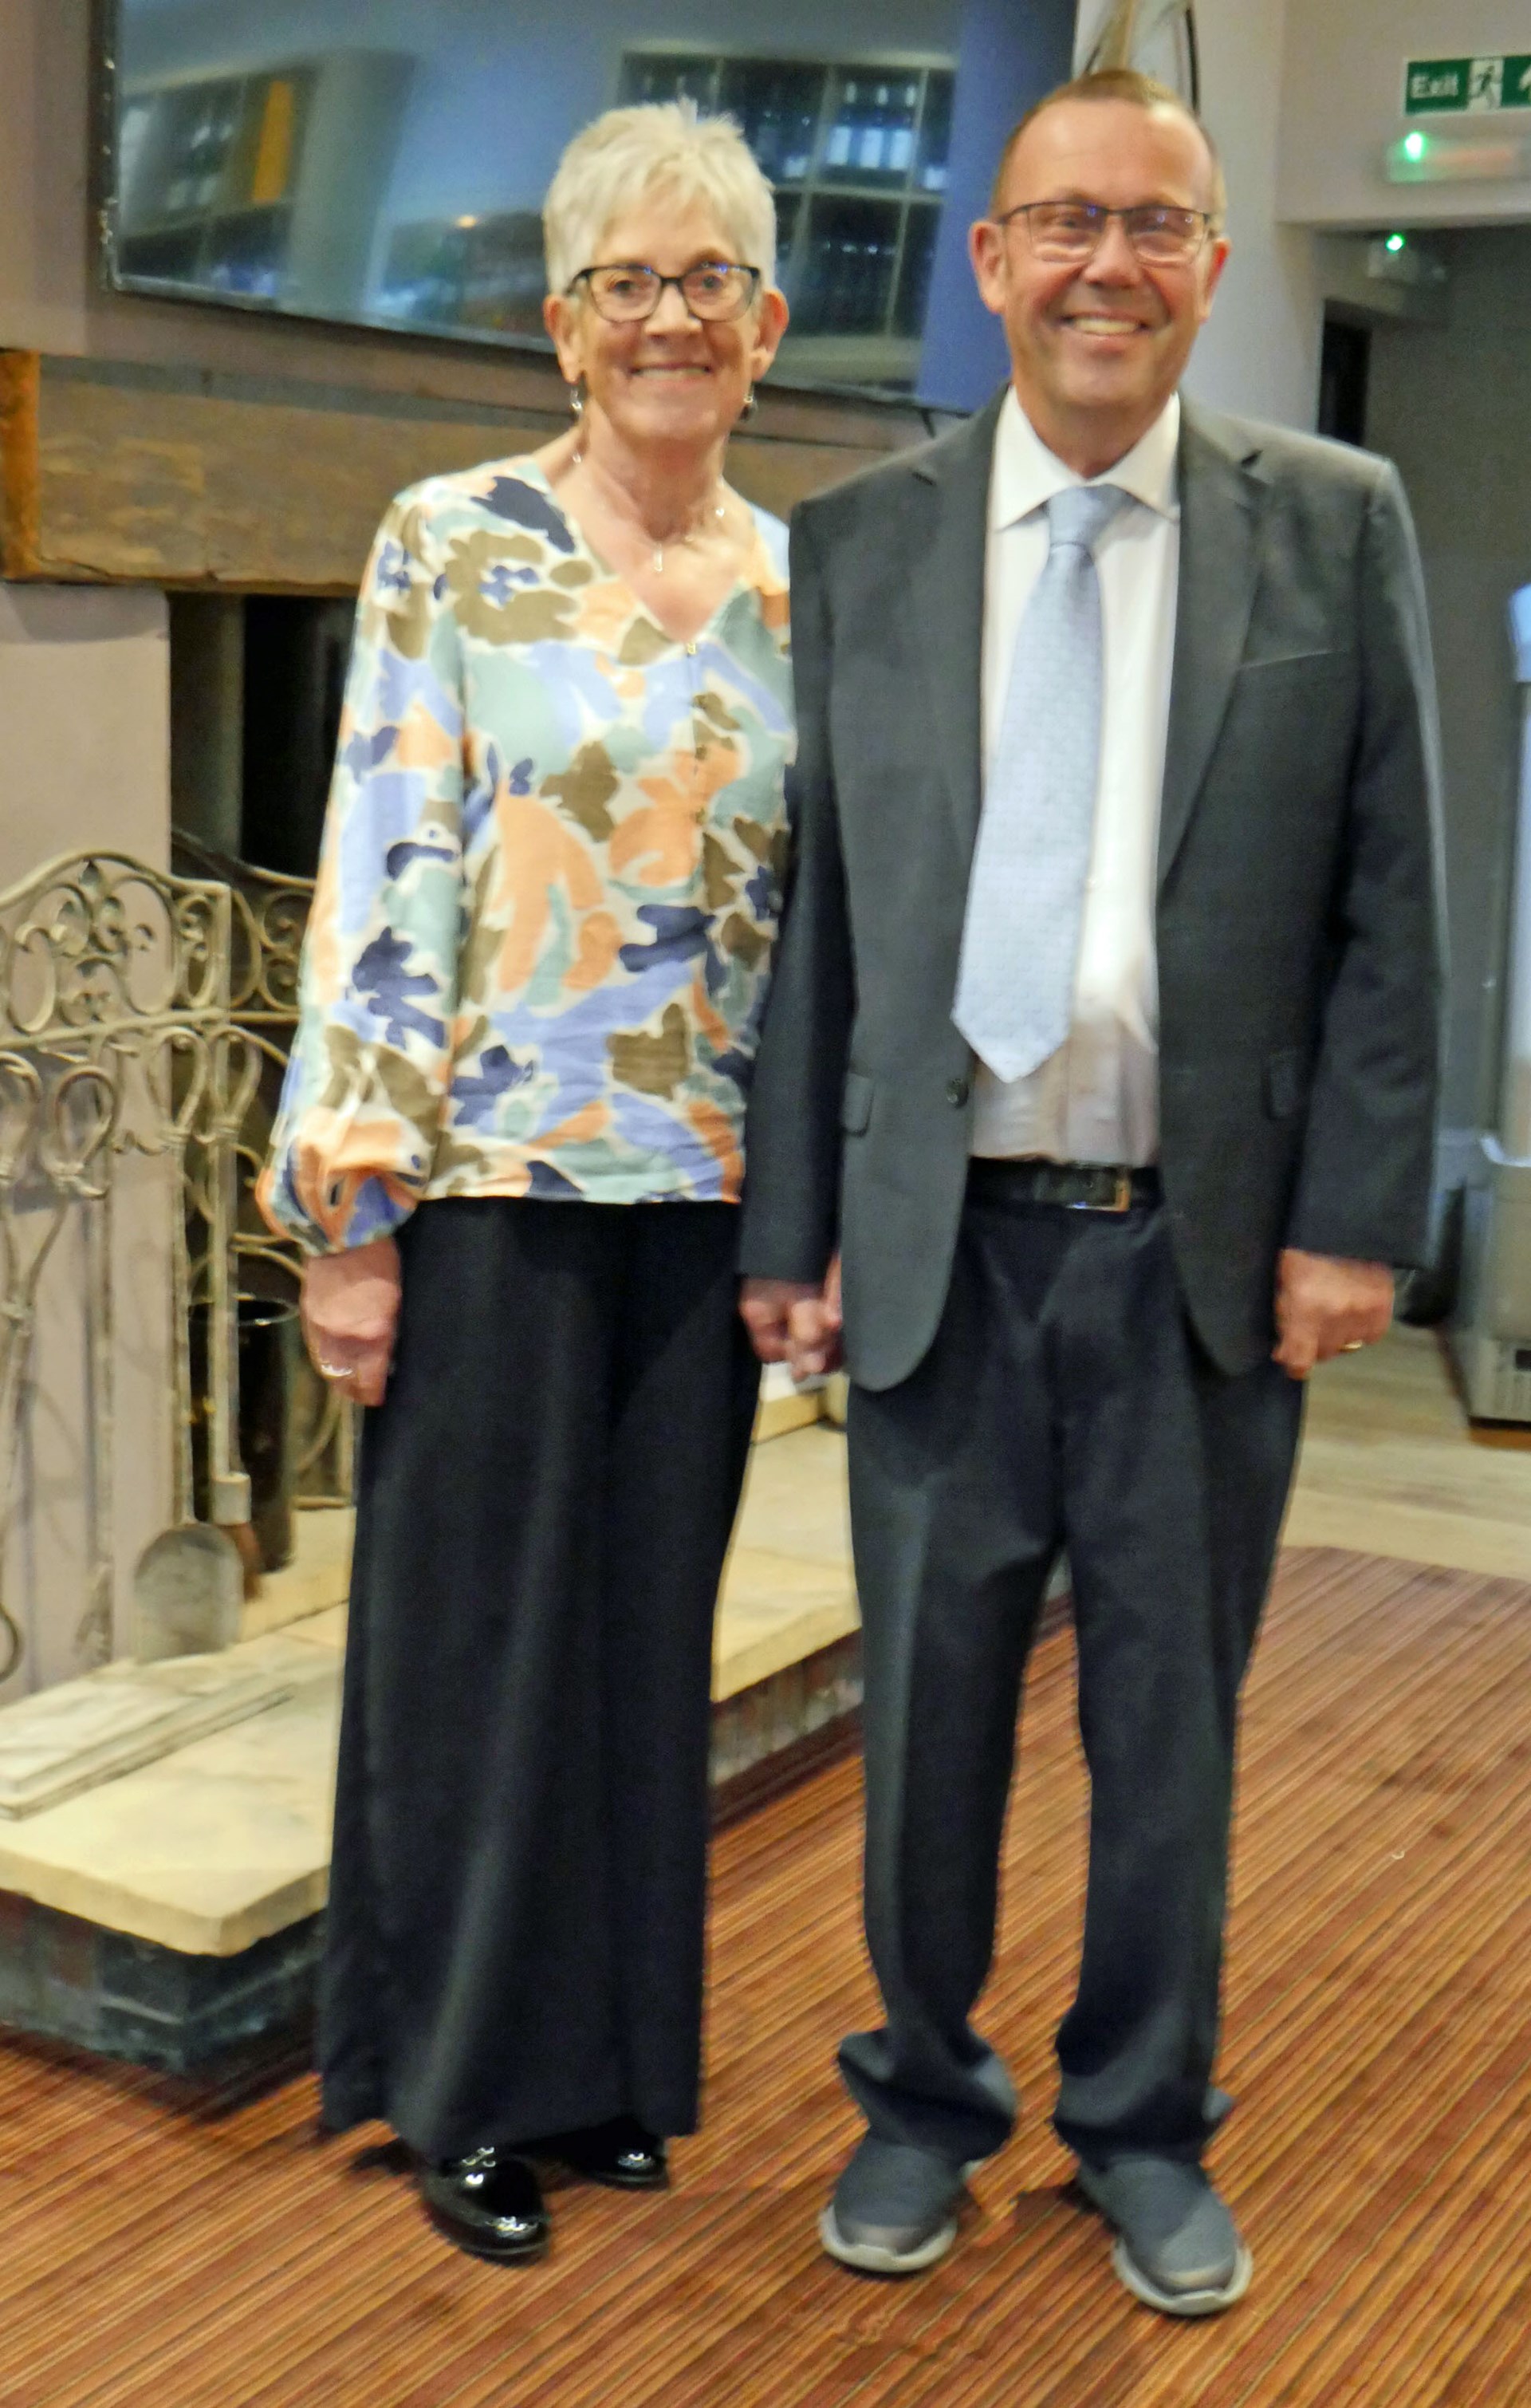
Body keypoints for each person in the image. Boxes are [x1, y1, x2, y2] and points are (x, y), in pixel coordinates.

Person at [740, 69, 1442, 2318]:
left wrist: (1357, 1218)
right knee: (928, 1720)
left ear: (1214, 266)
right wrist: (789, 1226)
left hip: (1200, 1261)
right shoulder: (858, 543)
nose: (1107, 265)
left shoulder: (1332, 521)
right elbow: (824, 924)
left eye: (1155, 225)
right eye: (1065, 222)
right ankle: (919, 2100)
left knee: (1171, 1732)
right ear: (992, 259)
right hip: (939, 1249)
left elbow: (1392, 906)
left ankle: (1143, 2125)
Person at [259, 101, 790, 2266]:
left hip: (710, 1202)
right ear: (563, 326)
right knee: (473, 1658)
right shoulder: (450, 540)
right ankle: (461, 2083)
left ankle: (605, 2070)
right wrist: (353, 1215)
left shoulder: (806, 584)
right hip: (484, 1189)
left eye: (707, 281)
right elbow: (387, 870)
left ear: (766, 325)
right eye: (625, 282)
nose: (668, 319)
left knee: (645, 1656)